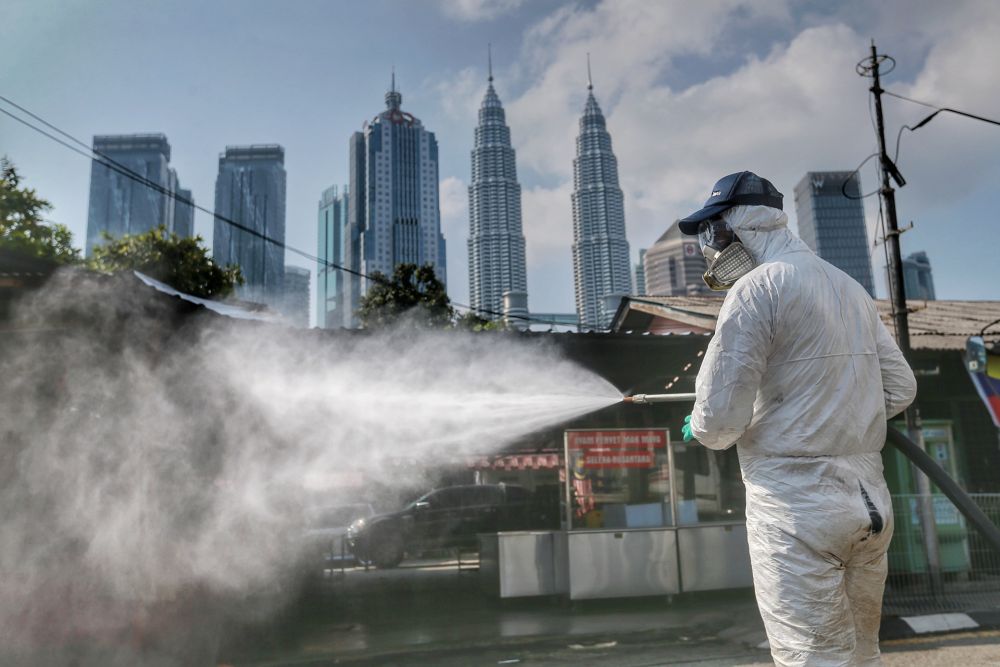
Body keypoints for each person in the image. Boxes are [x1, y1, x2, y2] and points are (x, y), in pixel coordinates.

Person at [677, 171, 917, 666]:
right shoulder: (849, 287)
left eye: (712, 233)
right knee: (861, 655)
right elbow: (901, 387)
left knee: (811, 658)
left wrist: (699, 424)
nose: (709, 248)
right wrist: (839, 414)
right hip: (869, 507)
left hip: (796, 513)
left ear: (740, 227)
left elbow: (719, 422)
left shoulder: (755, 289)